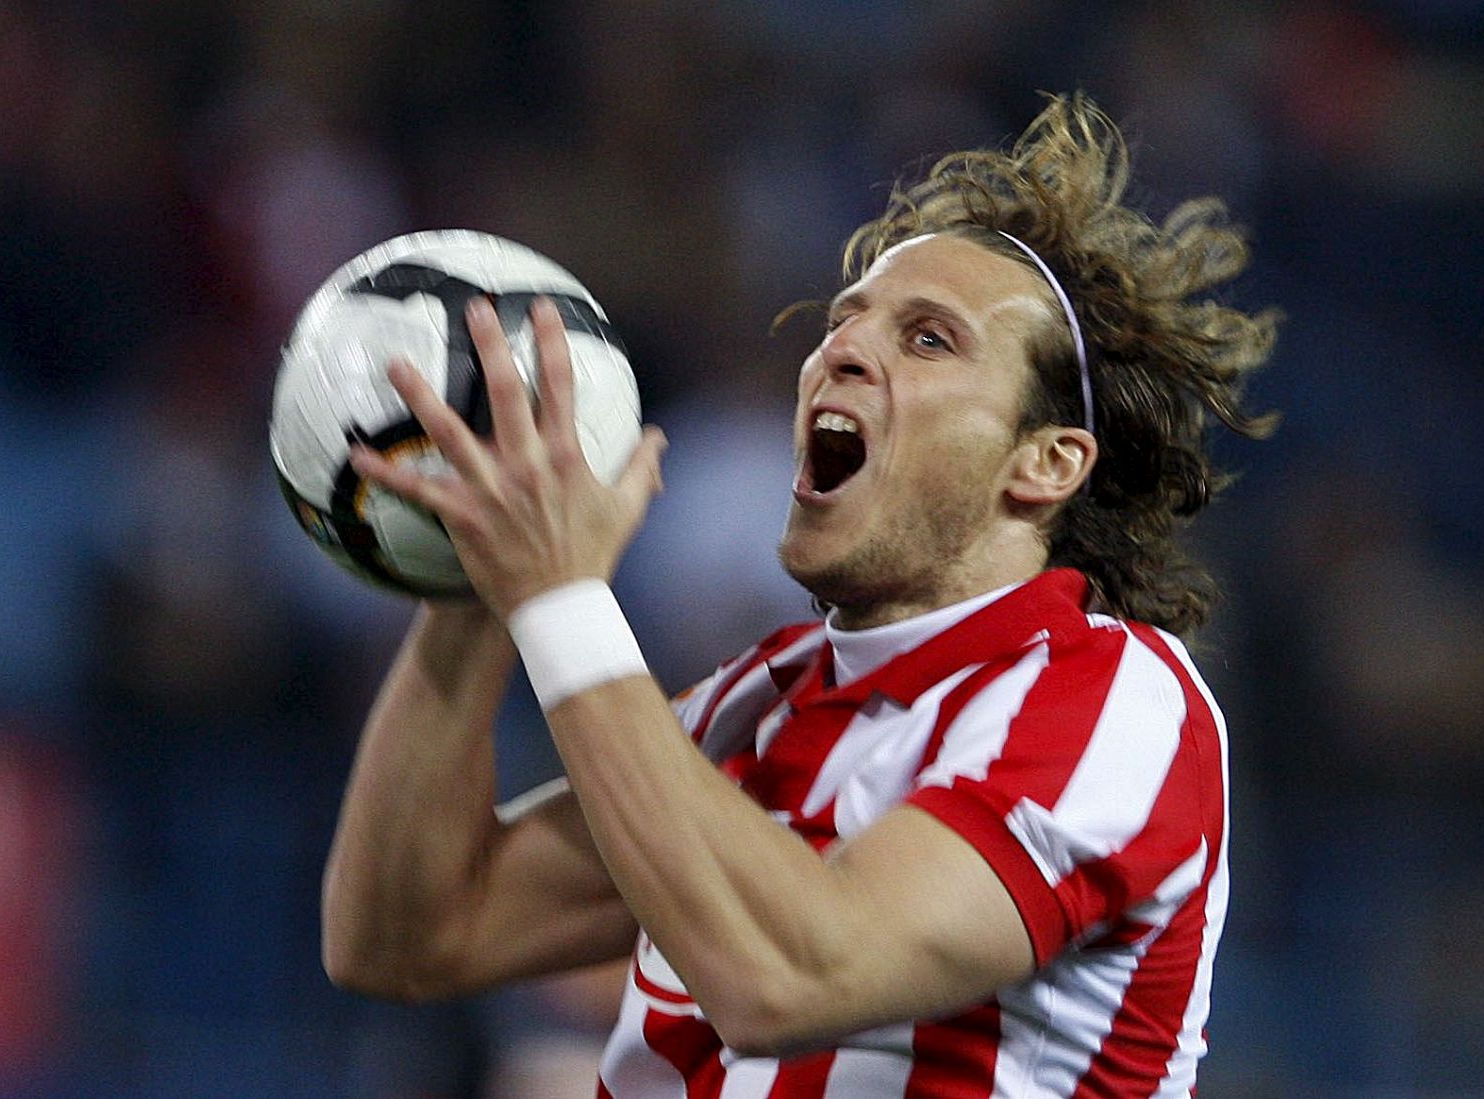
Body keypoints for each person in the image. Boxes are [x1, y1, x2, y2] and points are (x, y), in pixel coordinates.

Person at [320, 92, 1278, 1097]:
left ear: (1044, 461)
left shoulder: (1114, 700)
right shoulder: (754, 703)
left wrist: (559, 601)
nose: (841, 352)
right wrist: (476, 579)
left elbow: (792, 976)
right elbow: (405, 934)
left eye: (929, 339)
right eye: (842, 323)